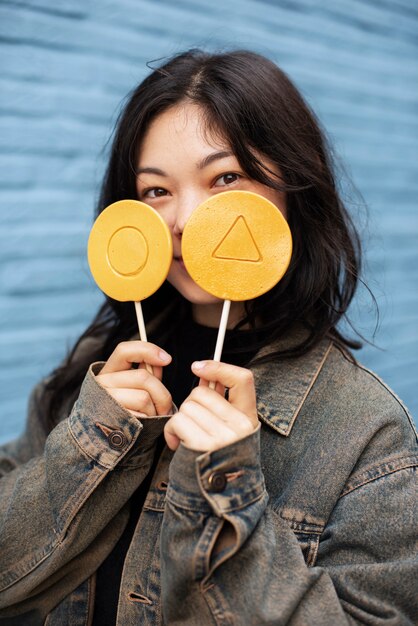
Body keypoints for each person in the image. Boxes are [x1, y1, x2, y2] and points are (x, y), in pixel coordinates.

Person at [0, 49, 416, 626]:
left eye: (225, 178)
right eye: (156, 190)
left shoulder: (367, 434)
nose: (185, 220)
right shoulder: (91, 373)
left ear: (293, 193)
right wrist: (87, 444)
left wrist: (231, 490)